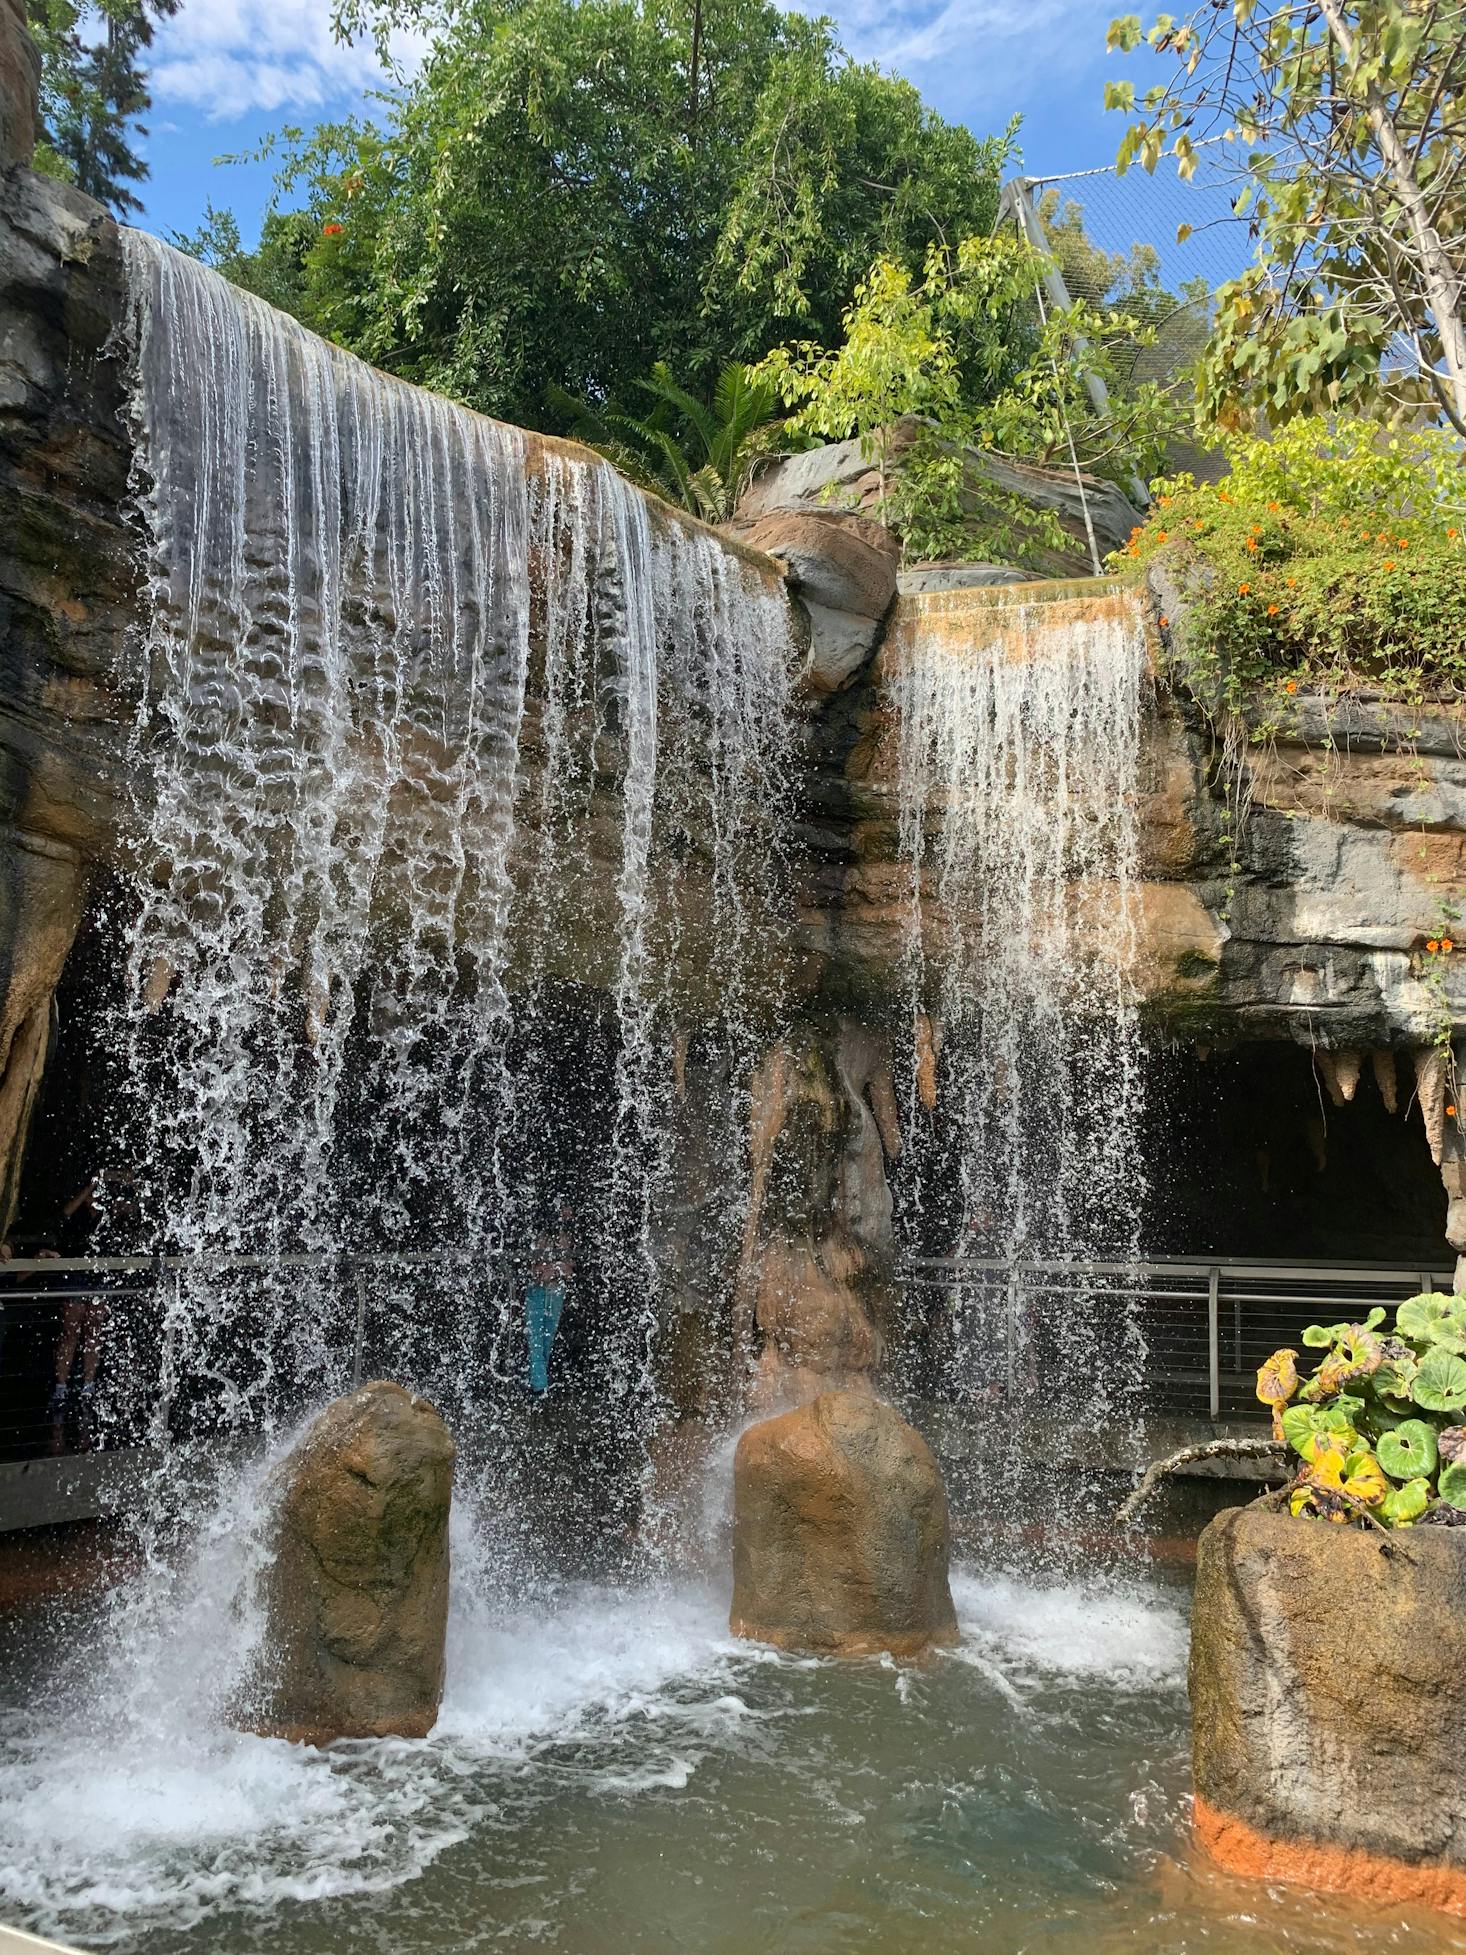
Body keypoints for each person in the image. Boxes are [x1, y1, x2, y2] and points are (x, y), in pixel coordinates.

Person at [50, 1168, 137, 1452]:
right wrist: (90, 1186)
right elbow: (65, 1213)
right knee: (70, 1332)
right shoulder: (77, 1214)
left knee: (93, 1334)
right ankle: (61, 1387)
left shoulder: (108, 1215)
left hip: (99, 1276)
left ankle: (88, 1385)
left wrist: (122, 1180)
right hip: (75, 1273)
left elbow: (130, 1211)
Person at [524, 1200, 575, 1396]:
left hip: (555, 1292)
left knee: (547, 1339)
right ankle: (539, 1386)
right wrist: (554, 1269)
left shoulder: (565, 1239)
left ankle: (540, 1386)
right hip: (538, 1292)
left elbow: (569, 1270)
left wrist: (554, 1270)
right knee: (536, 1340)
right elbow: (534, 1269)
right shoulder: (541, 1238)